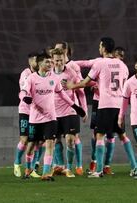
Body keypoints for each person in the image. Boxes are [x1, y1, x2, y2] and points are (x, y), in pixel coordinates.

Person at [66, 37, 136, 178]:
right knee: (122, 136)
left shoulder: (100, 63)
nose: (99, 48)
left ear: (104, 48)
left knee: (99, 135)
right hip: (119, 105)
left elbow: (85, 82)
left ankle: (98, 170)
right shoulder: (122, 65)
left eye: (100, 46)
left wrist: (72, 85)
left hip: (105, 105)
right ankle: (135, 167)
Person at [20, 51, 86, 181]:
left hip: (51, 118)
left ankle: (46, 174)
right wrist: (25, 98)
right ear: (39, 63)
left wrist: (76, 107)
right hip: (35, 119)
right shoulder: (31, 78)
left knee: (50, 144)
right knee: (31, 146)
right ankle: (28, 169)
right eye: (47, 62)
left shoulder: (54, 79)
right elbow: (23, 92)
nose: (50, 64)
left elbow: (63, 95)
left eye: (51, 62)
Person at [50, 48, 88, 177]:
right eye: (56, 60)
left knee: (70, 140)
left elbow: (81, 88)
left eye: (61, 60)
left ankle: (69, 168)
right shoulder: (48, 73)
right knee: (55, 141)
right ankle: (60, 166)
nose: (59, 63)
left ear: (64, 58)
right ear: (52, 60)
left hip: (70, 110)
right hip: (53, 112)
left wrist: (84, 109)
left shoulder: (70, 72)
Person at [13, 52, 41, 178]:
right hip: (25, 111)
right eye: (35, 60)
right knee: (24, 140)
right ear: (30, 62)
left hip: (37, 112)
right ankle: (17, 163)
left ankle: (32, 168)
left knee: (37, 141)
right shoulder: (25, 74)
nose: (37, 63)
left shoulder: (41, 74)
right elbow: (25, 91)